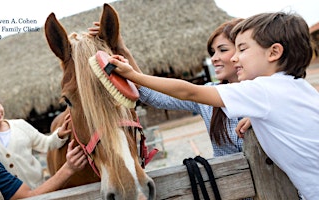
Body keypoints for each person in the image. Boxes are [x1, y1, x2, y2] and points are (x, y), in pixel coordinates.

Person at [109, 12, 319, 199]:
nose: (220, 58)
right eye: (213, 52)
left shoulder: (261, 91)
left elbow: (189, 91)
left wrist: (133, 75)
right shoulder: (295, 88)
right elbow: (156, 95)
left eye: (239, 49)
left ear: (273, 52)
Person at [89, 19, 247, 157]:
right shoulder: (208, 98)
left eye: (223, 50)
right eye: (212, 52)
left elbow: (188, 91)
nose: (214, 59)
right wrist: (122, 50)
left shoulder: (267, 90)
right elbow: (153, 96)